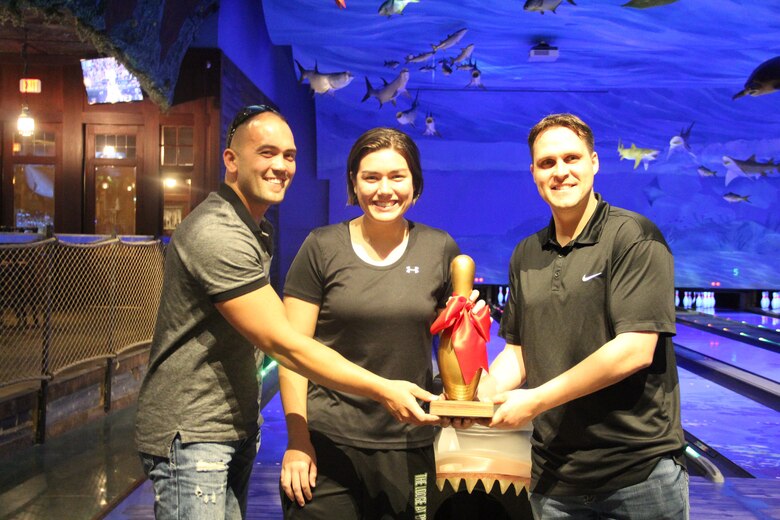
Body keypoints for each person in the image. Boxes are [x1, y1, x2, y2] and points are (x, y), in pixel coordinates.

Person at [135, 107, 439, 520]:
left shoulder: (253, 228)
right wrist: (383, 390)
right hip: (192, 433)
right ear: (231, 159)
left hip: (229, 428)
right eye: (266, 153)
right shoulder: (218, 232)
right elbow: (286, 343)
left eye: (289, 155)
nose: (280, 166)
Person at [472, 113, 688, 519]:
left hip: (638, 475)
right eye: (548, 162)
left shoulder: (634, 237)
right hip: (555, 480)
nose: (561, 171)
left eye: (572, 158)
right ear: (534, 172)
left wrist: (534, 400)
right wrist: (481, 399)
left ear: (594, 162)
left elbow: (634, 350)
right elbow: (517, 352)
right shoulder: (526, 253)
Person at [278, 127, 461, 519]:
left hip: (409, 443)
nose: (385, 189)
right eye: (371, 177)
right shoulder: (322, 247)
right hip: (328, 444)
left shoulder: (439, 248)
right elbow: (292, 353)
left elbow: (456, 346)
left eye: (397, 176)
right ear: (353, 184)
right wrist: (298, 440)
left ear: (416, 184)